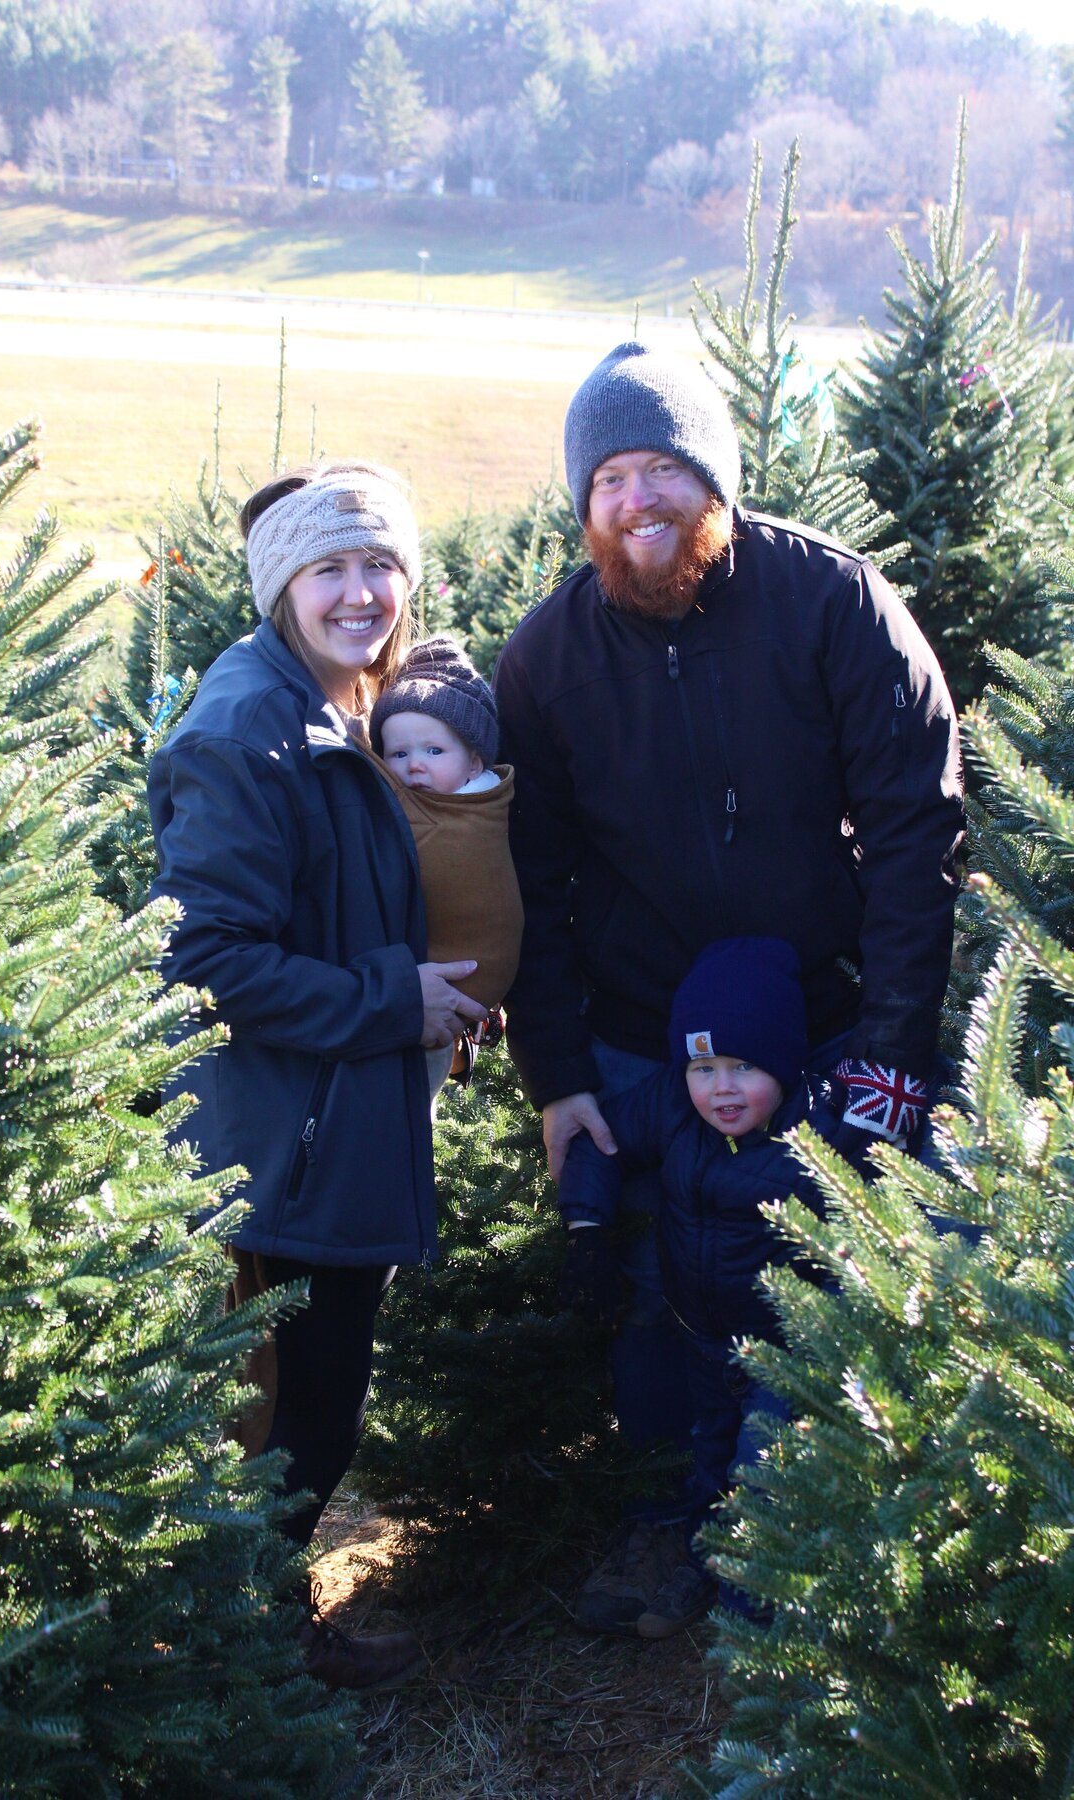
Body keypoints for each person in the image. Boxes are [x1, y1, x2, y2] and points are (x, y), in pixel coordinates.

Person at [493, 341, 964, 1634]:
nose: (639, 500)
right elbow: (532, 881)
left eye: (666, 470)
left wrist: (888, 1047)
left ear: (717, 484)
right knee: (663, 1292)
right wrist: (562, 1079)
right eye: (612, 477)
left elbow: (919, 825)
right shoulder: (547, 659)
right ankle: (662, 1528)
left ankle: (829, 1550)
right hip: (653, 1041)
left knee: (831, 1281)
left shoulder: (831, 601)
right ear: (583, 502)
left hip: (825, 1025)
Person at [147, 459, 486, 1690]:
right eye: (330, 569)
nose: (361, 593)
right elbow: (203, 957)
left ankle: (257, 1641)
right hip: (275, 1138)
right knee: (296, 1413)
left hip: (334, 1118)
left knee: (310, 1405)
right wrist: (394, 1001)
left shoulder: (353, 707)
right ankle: (246, 1670)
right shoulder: (249, 727)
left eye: (380, 565)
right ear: (281, 585)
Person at [559, 937, 844, 1636]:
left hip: (787, 1356)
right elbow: (600, 1138)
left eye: (743, 1067)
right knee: (711, 1461)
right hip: (704, 1344)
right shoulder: (673, 1107)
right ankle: (706, 1570)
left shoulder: (820, 1129)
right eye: (703, 1066)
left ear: (782, 1061)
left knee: (764, 1473)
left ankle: (758, 1630)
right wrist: (588, 1229)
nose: (721, 1087)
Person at [370, 635, 524, 1097]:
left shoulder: (467, 810)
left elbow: (364, 770)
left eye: (433, 752)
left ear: (475, 760)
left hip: (450, 987)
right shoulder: (455, 791)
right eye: (398, 754)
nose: (414, 766)